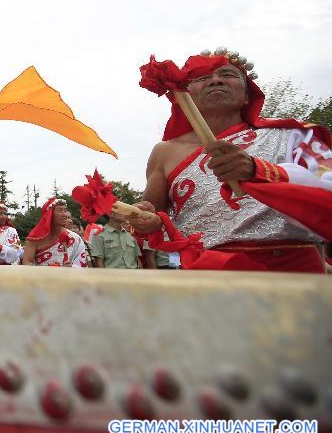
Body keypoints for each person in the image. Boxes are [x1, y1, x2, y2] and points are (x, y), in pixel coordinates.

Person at [131, 49, 332, 272]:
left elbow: (327, 189)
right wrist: (144, 219)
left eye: (228, 74)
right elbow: (153, 219)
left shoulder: (290, 135)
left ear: (248, 95)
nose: (216, 80)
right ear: (185, 95)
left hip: (289, 267)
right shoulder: (164, 152)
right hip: (205, 270)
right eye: (203, 77)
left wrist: (260, 171)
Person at [22, 198, 88, 267]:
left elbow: (81, 265)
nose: (65, 215)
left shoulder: (75, 238)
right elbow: (27, 262)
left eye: (65, 211)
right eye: (60, 210)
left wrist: (71, 268)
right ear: (49, 214)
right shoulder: (34, 238)